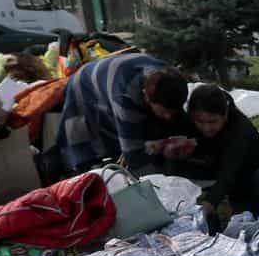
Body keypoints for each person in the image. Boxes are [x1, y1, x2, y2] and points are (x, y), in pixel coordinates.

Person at [56, 52, 190, 174]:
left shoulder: (172, 80)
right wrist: (157, 184)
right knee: (90, 146)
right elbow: (134, 155)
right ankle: (68, 170)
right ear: (146, 98)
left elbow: (178, 120)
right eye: (164, 112)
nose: (168, 117)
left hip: (121, 71)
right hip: (85, 85)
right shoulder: (125, 96)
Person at [180, 84, 259, 225]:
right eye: (200, 122)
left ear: (225, 116)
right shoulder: (191, 126)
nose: (206, 128)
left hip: (257, 175)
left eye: (213, 121)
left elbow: (230, 169)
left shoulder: (239, 129)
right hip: (234, 183)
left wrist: (209, 204)